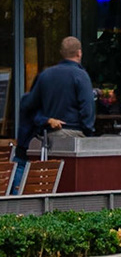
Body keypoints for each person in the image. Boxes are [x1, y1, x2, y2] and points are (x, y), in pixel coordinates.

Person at [16, 35, 95, 165]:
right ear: (79, 53)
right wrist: (88, 132)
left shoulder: (45, 75)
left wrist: (45, 120)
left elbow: (29, 104)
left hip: (49, 136)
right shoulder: (81, 76)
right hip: (74, 134)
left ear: (61, 53)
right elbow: (87, 108)